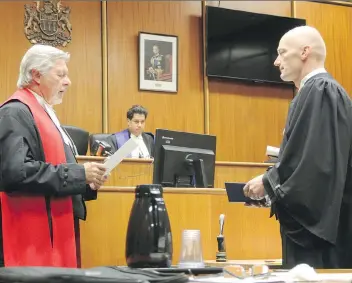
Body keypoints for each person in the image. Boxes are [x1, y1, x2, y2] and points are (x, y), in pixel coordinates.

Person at [243, 26, 352, 269]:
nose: (276, 61)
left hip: (319, 238)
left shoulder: (320, 91)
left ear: (305, 52)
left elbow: (315, 163)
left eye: (282, 52)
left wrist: (270, 182)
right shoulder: (315, 92)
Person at [0, 44, 108, 267]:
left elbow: (60, 169)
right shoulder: (15, 112)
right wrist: (79, 174)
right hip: (30, 238)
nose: (68, 81)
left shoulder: (47, 113)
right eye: (61, 75)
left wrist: (87, 182)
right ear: (36, 75)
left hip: (59, 230)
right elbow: (16, 173)